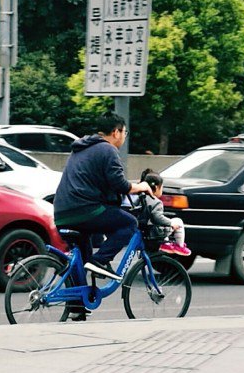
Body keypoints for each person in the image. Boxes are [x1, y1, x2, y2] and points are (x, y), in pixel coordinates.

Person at [53, 112, 153, 285]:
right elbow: (120, 185)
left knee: (82, 259)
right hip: (84, 210)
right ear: (116, 132)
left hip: (62, 213)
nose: (124, 137)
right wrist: (142, 186)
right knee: (129, 223)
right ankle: (100, 261)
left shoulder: (81, 148)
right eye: (125, 133)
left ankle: (77, 308)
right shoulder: (108, 149)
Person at [138, 169, 191, 257]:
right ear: (156, 188)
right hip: (155, 232)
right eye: (161, 188)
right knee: (178, 222)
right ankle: (179, 246)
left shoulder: (141, 198)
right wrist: (170, 224)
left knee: (164, 222)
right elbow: (157, 217)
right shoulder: (156, 202)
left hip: (145, 229)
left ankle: (166, 244)